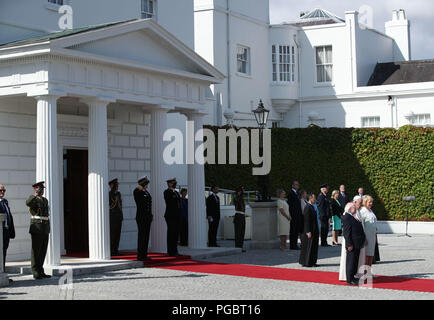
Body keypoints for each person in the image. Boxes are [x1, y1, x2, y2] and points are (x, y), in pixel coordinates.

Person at [26, 181, 51, 280]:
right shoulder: (33, 199)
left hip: (45, 227)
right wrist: (35, 195)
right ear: (36, 189)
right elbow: (27, 203)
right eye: (40, 189)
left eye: (43, 189)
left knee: (43, 251)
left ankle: (41, 270)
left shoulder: (45, 200)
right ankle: (35, 271)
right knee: (36, 251)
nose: (42, 190)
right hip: (37, 227)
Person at [339, 202, 366, 282]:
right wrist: (349, 244)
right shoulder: (347, 217)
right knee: (351, 262)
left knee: (355, 261)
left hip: (357, 243)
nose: (355, 208)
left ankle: (353, 276)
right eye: (354, 207)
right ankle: (349, 279)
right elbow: (346, 233)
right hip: (352, 244)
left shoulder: (353, 216)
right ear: (350, 209)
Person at [133, 176, 153, 261]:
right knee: (142, 236)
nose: (147, 185)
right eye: (146, 183)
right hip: (141, 217)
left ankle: (144, 254)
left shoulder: (146, 192)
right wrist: (140, 186)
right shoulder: (138, 191)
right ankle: (140, 255)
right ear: (142, 184)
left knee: (146, 236)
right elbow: (136, 193)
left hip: (147, 217)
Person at [299, 194, 320, 267]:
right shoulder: (307, 207)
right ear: (310, 199)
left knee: (313, 247)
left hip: (314, 230)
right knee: (309, 247)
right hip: (310, 230)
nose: (315, 200)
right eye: (314, 198)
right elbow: (306, 220)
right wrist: (308, 231)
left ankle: (312, 261)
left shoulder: (311, 207)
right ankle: (308, 262)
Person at [164, 178, 182, 256]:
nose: (174, 184)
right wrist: (172, 191)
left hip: (177, 215)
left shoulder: (176, 192)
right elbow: (170, 202)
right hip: (170, 215)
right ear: (169, 184)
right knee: (171, 233)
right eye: (173, 183)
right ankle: (170, 251)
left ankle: (175, 250)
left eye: (175, 183)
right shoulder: (167, 192)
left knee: (176, 234)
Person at [360, 195, 378, 271]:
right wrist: (364, 238)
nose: (371, 203)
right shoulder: (362, 211)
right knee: (366, 255)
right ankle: (364, 272)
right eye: (369, 202)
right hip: (366, 236)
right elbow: (361, 225)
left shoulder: (370, 210)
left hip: (372, 236)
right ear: (365, 202)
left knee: (371, 255)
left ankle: (369, 272)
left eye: (371, 202)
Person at [0, 184, 15, 275]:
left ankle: (3, 272)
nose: (2, 192)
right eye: (0, 190)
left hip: (6, 231)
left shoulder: (5, 201)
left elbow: (9, 216)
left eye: (4, 190)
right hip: (0, 232)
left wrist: (11, 230)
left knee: (4, 252)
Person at [109, 178, 123, 256]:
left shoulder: (118, 194)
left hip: (118, 216)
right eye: (115, 185)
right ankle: (112, 250)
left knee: (118, 234)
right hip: (113, 216)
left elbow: (120, 205)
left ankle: (116, 250)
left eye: (117, 186)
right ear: (111, 186)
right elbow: (111, 206)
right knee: (113, 234)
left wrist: (121, 216)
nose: (117, 187)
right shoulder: (110, 194)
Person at [287, 181, 303, 250]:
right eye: (296, 185)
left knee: (296, 231)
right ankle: (292, 245)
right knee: (293, 230)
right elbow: (290, 205)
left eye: (298, 184)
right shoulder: (291, 193)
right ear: (292, 185)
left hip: (298, 215)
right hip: (293, 215)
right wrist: (291, 214)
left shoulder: (297, 193)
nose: (298, 186)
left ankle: (295, 244)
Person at [233, 186, 246, 252]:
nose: (241, 192)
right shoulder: (236, 198)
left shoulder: (241, 198)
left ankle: (240, 246)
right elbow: (238, 203)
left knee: (242, 232)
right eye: (240, 191)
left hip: (242, 216)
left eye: (241, 191)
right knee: (238, 232)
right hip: (238, 216)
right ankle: (237, 247)